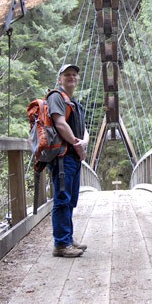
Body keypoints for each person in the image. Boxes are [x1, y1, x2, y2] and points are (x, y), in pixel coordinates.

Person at [48, 64, 89, 258]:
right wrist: (76, 144)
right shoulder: (56, 97)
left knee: (71, 199)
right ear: (60, 79)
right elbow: (59, 123)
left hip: (73, 156)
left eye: (74, 75)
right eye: (67, 75)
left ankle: (67, 237)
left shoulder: (74, 103)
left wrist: (84, 143)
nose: (71, 77)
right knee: (62, 199)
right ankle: (61, 244)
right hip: (63, 157)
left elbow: (84, 129)